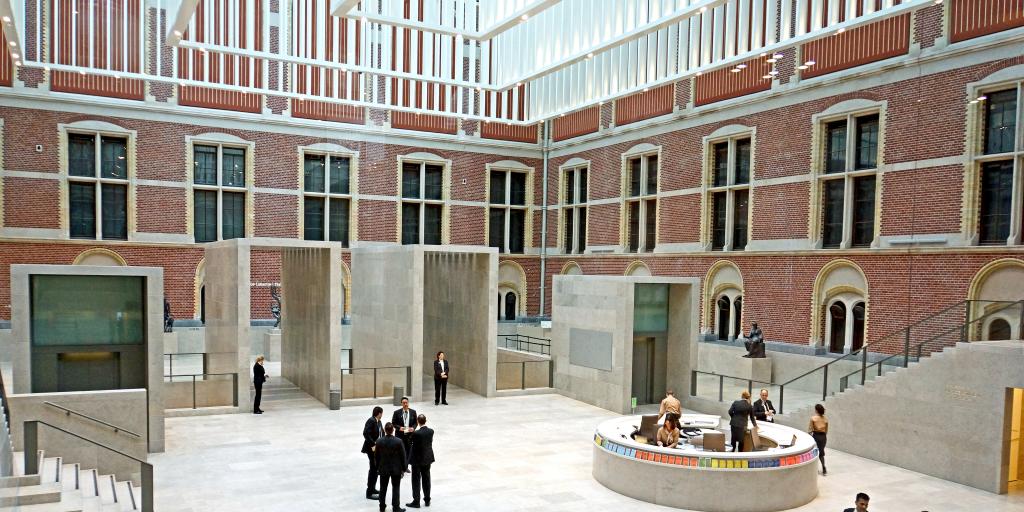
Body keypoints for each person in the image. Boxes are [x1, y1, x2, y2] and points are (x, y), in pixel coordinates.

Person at [375, 422, 407, 512]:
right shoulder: (398, 441)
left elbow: (376, 456)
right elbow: (403, 456)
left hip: (383, 469)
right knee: (396, 488)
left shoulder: (379, 441)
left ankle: (382, 506)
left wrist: (377, 468)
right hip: (396, 469)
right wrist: (404, 468)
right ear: (393, 430)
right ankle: (396, 507)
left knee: (383, 488)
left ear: (385, 430)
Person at [406, 414, 435, 509]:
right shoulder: (431, 431)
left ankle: (416, 501)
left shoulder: (416, 433)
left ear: (418, 422)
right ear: (425, 420)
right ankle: (427, 500)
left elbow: (410, 442)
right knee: (426, 479)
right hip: (427, 458)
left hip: (417, 460)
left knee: (416, 480)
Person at [361, 406, 385, 500]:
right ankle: (369, 492)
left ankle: (373, 488)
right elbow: (365, 433)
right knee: (373, 469)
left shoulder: (379, 422)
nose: (382, 415)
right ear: (378, 413)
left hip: (377, 448)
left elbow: (381, 432)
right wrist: (373, 444)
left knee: (375, 469)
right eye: (381, 413)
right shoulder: (371, 421)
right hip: (371, 449)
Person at [392, 397, 417, 465]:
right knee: (401, 451)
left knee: (409, 450)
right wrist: (399, 428)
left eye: (406, 403)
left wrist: (413, 428)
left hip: (409, 435)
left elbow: (415, 423)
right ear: (401, 403)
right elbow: (393, 423)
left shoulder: (413, 412)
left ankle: (406, 465)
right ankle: (401, 465)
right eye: (404, 403)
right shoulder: (396, 413)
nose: (405, 404)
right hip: (400, 435)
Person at [810, 403, 829, 475]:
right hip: (823, 437)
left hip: (816, 436)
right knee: (821, 453)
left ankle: (815, 469)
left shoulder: (813, 418)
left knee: (815, 452)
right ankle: (824, 468)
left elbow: (810, 430)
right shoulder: (825, 419)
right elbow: (826, 430)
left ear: (816, 410)